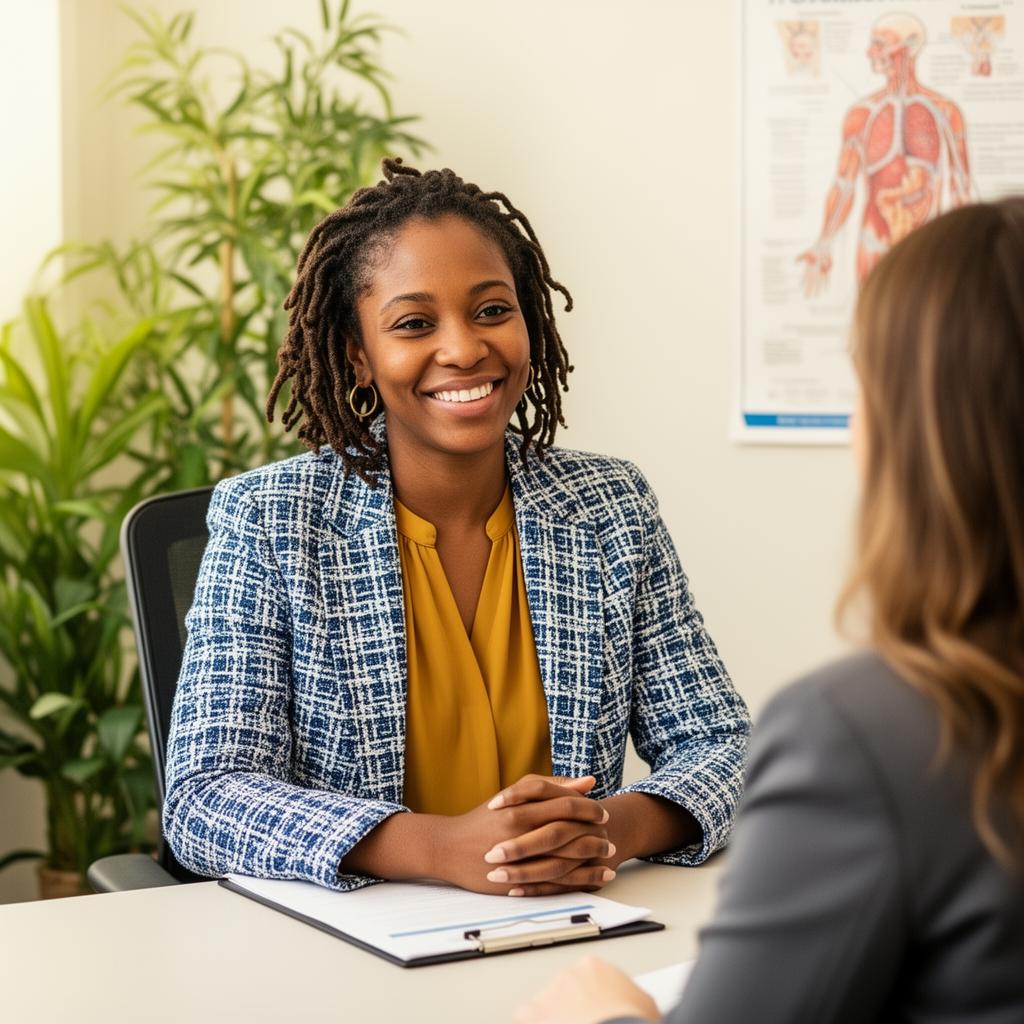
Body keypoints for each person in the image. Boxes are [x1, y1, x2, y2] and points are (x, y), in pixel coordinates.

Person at [162, 160, 751, 896]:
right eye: (414, 324)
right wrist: (438, 848)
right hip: (359, 943)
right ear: (358, 355)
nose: (465, 348)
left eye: (492, 311)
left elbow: (723, 744)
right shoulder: (273, 519)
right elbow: (205, 797)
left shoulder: (609, 507)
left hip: (570, 923)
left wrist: (609, 830)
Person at [516, 199, 1024, 1021]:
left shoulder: (864, 736)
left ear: (910, 432)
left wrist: (602, 1013)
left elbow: (723, 742)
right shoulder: (290, 511)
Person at [797, 12, 972, 298]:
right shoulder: (860, 115)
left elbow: (960, 189)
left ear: (909, 45)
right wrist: (823, 243)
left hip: (926, 248)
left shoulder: (946, 112)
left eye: (879, 44)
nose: (870, 52)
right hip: (874, 245)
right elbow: (844, 187)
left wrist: (967, 251)